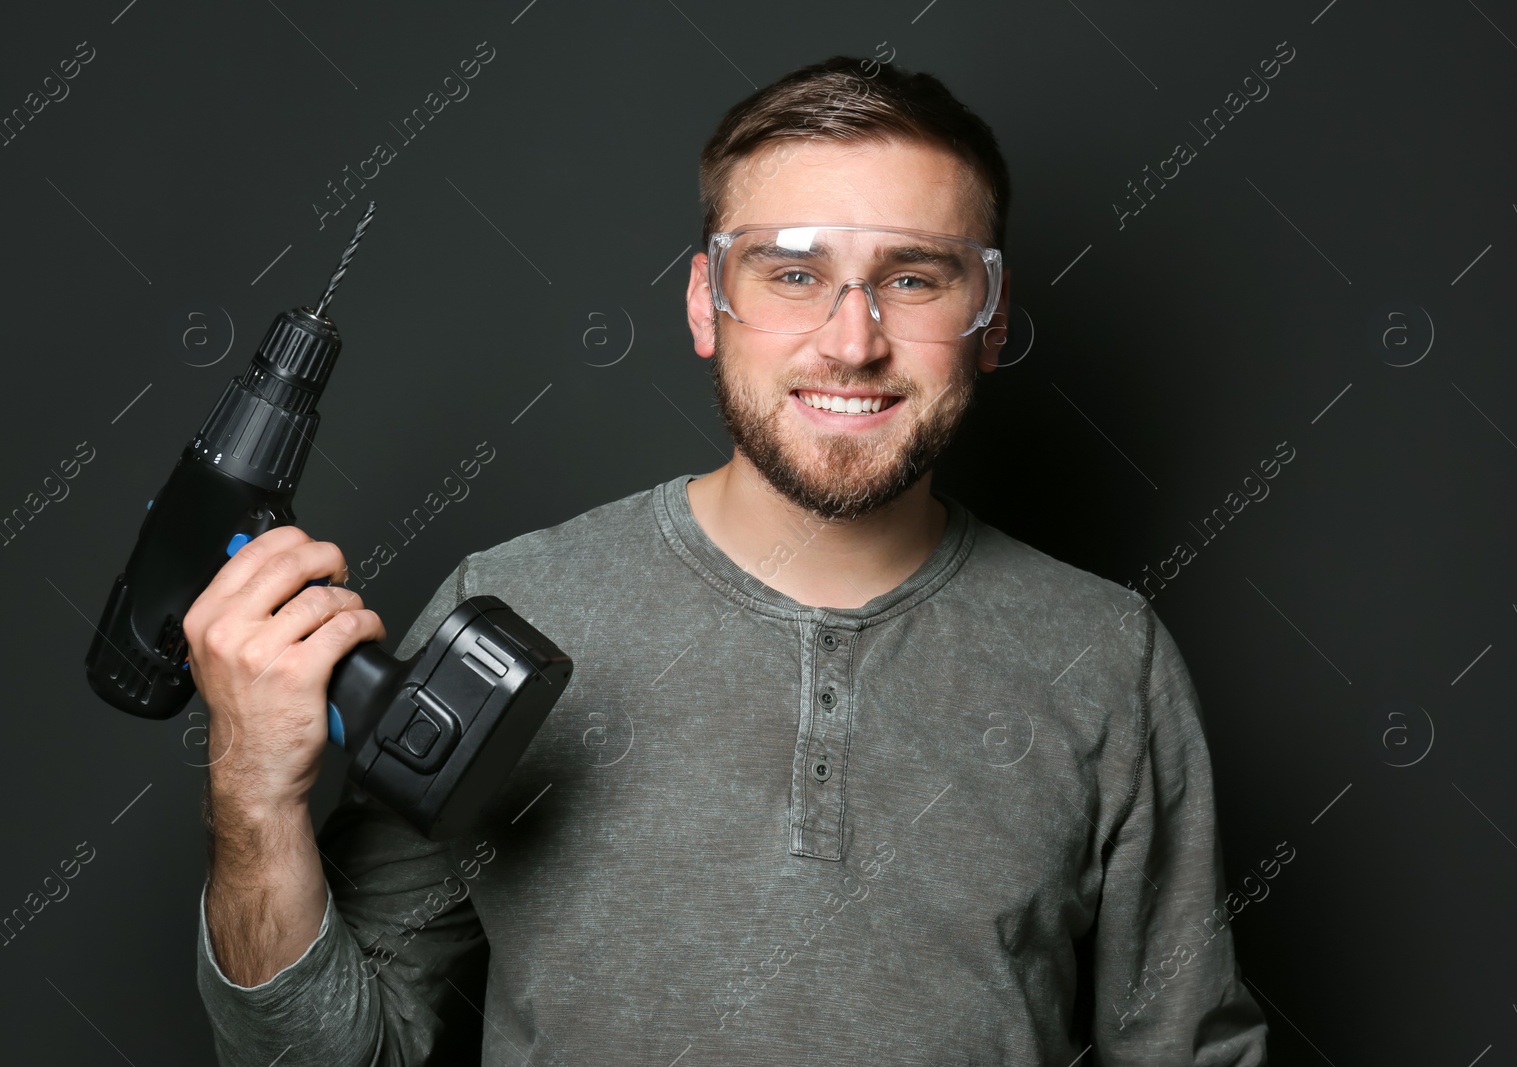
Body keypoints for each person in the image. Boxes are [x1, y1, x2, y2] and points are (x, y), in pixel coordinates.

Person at [190, 55, 1269, 1065]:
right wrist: (252, 794)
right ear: (707, 304)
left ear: (987, 321)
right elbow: (333, 1048)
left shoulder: (1103, 655)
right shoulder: (510, 607)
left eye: (914, 277)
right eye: (792, 273)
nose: (852, 340)